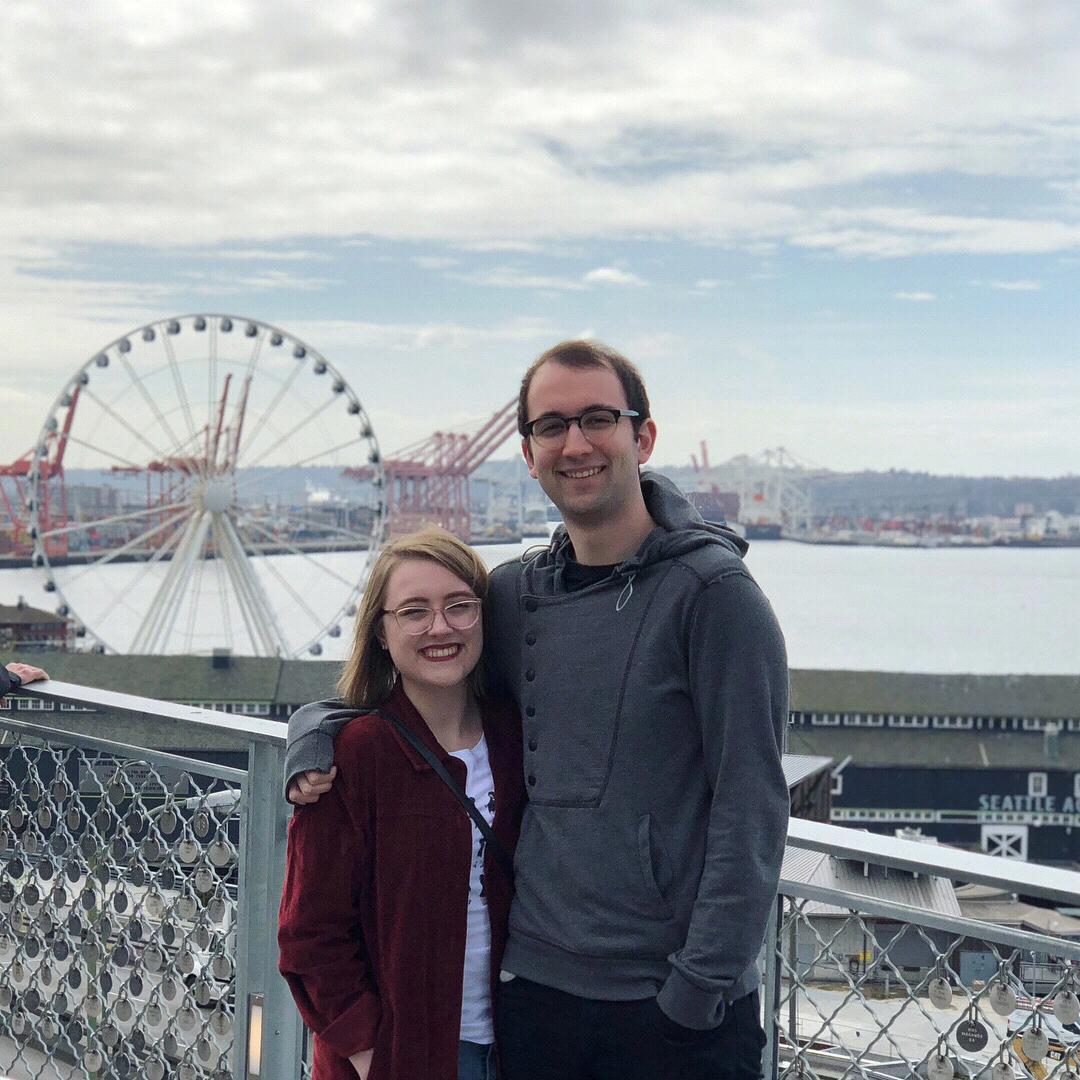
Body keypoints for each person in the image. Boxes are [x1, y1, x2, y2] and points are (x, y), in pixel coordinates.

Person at [287, 341, 789, 1080]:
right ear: (527, 453)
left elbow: (753, 803)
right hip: (534, 999)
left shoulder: (715, 598)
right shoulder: (513, 596)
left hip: (672, 1009)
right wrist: (312, 733)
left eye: (598, 419)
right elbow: (413, 686)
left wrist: (696, 991)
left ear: (643, 436)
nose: (575, 444)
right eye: (552, 426)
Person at [278, 528, 524, 1080]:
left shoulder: (517, 739)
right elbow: (309, 932)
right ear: (381, 633)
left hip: (520, 1045)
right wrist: (370, 1050)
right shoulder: (352, 757)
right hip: (402, 1055)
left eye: (459, 606)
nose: (440, 627)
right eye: (414, 612)